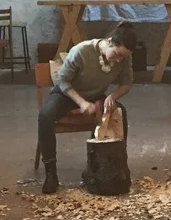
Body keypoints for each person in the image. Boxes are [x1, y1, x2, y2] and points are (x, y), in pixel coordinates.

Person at [38, 22, 137, 195]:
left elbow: (127, 83)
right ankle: (51, 173)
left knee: (119, 113)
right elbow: (62, 81)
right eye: (117, 54)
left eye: (123, 57)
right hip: (67, 94)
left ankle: (102, 168)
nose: (119, 60)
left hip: (95, 95)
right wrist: (82, 103)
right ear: (109, 41)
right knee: (45, 116)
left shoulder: (124, 57)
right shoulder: (82, 51)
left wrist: (112, 97)